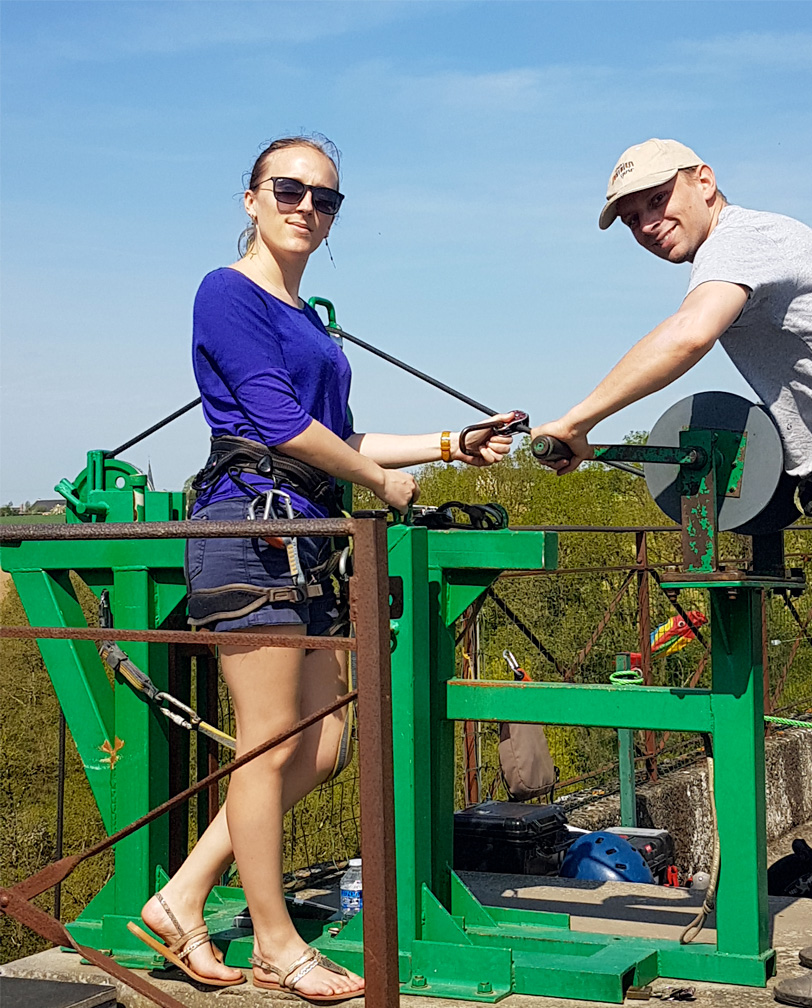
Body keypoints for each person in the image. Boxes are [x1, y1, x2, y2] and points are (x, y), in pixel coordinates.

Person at [532, 138, 812, 1008]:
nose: (646, 220)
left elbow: (687, 335)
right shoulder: (775, 242)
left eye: (657, 198)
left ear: (705, 181)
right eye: (628, 216)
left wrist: (576, 421)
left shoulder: (742, 240)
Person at [128, 134, 514, 1003]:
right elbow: (273, 420)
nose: (308, 207)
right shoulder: (226, 293)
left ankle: (181, 896)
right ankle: (275, 943)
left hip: (310, 533)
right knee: (268, 743)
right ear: (252, 200)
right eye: (290, 190)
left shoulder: (309, 324)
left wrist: (455, 444)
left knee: (322, 744)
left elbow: (344, 435)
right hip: (250, 526)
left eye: (326, 199)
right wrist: (382, 484)